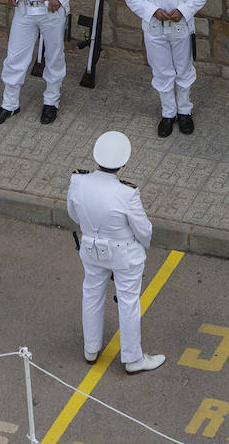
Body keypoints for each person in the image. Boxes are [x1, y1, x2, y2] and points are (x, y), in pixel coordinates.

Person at [66, 131, 163, 374]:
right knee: (128, 302)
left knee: (91, 295)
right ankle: (133, 358)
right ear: (123, 163)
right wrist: (143, 244)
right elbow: (144, 230)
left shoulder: (78, 180)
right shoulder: (127, 193)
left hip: (90, 247)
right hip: (124, 254)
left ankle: (91, 349)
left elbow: (73, 213)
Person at [122, 0, 211, 137]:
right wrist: (152, 11)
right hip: (154, 28)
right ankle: (168, 113)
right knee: (162, 72)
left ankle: (184, 111)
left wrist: (184, 10)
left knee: (184, 70)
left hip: (181, 26)